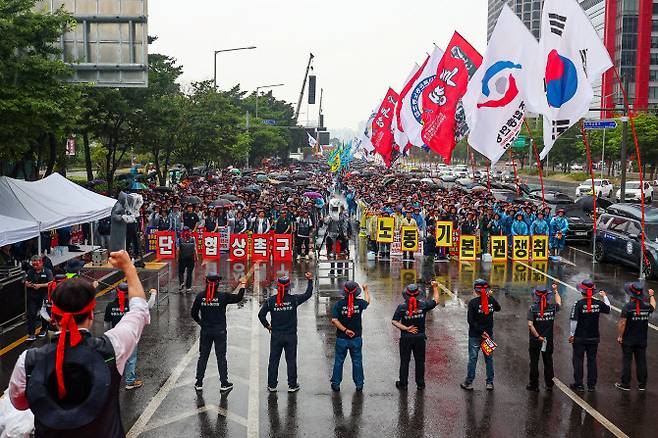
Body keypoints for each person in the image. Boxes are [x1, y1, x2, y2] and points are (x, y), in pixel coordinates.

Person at [9, 250, 150, 437]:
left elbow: (19, 403)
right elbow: (139, 311)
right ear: (91, 316)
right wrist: (129, 268)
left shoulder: (28, 361)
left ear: (54, 317)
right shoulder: (113, 348)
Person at [191, 273, 247, 393]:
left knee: (203, 356)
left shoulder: (200, 296)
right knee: (221, 357)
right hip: (220, 331)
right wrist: (243, 284)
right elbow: (238, 298)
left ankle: (199, 382)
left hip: (206, 331)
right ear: (218, 284)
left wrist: (201, 323)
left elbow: (193, 313)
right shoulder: (222, 296)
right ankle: (224, 383)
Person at [258, 273, 314, 392]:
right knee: (291, 360)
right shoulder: (294, 299)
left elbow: (261, 315)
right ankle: (292, 385)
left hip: (276, 336)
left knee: (274, 360)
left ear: (277, 288)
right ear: (289, 288)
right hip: (291, 336)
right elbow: (308, 294)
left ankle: (272, 385)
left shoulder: (271, 301)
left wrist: (267, 326)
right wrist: (310, 281)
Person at [104, 282, 157, 390]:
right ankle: (130, 381)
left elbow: (106, 324)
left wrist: (109, 337)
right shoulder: (133, 307)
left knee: (115, 359)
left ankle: (112, 382)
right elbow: (148, 306)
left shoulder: (110, 306)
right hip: (130, 338)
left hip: (114, 338)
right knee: (131, 359)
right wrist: (153, 294)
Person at [391, 282, 439, 391]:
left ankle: (403, 384)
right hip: (420, 338)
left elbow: (394, 321)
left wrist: (406, 328)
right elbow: (436, 301)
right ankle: (420, 384)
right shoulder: (423, 305)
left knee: (404, 361)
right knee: (420, 361)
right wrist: (435, 287)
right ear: (418, 294)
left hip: (406, 338)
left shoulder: (402, 307)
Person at [569, 279, 611, 392]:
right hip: (594, 337)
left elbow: (574, 321)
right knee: (592, 360)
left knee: (578, 360)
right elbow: (608, 309)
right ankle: (591, 385)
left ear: (581, 291)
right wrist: (605, 297)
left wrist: (572, 335)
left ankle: (579, 384)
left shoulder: (578, 304)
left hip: (580, 338)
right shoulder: (598, 303)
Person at [330, 281, 371, 392]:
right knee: (357, 361)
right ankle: (359, 384)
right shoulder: (360, 303)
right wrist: (366, 290)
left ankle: (336, 383)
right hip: (356, 338)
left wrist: (345, 330)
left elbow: (334, 320)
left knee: (339, 361)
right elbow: (367, 302)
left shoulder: (338, 304)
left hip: (341, 338)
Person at [461, 279, 501, 391]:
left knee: (473, 359)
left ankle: (468, 382)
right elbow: (498, 308)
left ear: (475, 290)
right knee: (489, 359)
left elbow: (470, 320)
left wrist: (480, 332)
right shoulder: (491, 301)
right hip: (488, 335)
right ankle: (489, 383)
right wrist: (490, 297)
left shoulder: (473, 303)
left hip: (475, 335)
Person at [615, 282, 656, 391]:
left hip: (628, 340)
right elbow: (653, 306)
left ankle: (625, 384)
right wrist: (651, 295)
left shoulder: (627, 307)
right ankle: (642, 384)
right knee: (641, 361)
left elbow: (622, 323)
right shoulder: (646, 306)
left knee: (627, 361)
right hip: (642, 339)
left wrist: (620, 336)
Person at [526, 284, 562, 392]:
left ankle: (534, 385)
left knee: (534, 362)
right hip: (548, 339)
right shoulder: (552, 308)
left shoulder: (532, 308)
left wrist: (537, 336)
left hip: (535, 340)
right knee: (548, 362)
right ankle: (549, 384)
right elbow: (559, 302)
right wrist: (555, 291)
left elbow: (530, 325)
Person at [24, 255, 53, 341]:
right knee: (31, 314)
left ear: (41, 262)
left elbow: (51, 283)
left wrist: (40, 286)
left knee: (43, 314)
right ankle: (31, 334)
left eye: (37, 264)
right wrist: (27, 284)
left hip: (43, 295)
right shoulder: (30, 272)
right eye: (33, 265)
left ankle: (43, 329)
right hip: (32, 296)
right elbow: (25, 281)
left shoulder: (47, 271)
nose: (35, 266)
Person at [178, 227, 197, 293]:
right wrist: (196, 258)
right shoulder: (193, 238)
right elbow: (195, 249)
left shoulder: (180, 239)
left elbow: (178, 249)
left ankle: (181, 283)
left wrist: (178, 258)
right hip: (191, 258)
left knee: (181, 272)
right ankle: (188, 288)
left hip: (182, 258)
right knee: (189, 273)